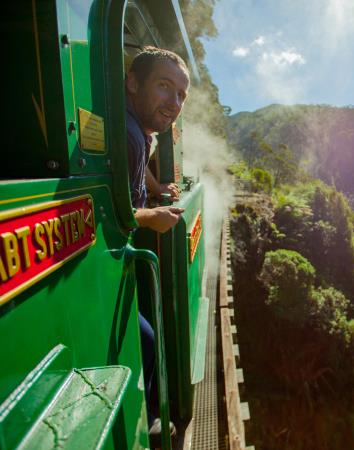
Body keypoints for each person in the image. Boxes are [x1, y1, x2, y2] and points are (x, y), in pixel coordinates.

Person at [125, 46, 190, 445]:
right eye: (165, 87)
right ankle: (149, 421)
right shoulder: (130, 135)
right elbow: (111, 214)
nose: (175, 102)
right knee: (147, 339)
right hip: (120, 257)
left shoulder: (137, 130)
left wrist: (155, 187)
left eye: (181, 94)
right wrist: (154, 216)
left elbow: (142, 161)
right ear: (132, 82)